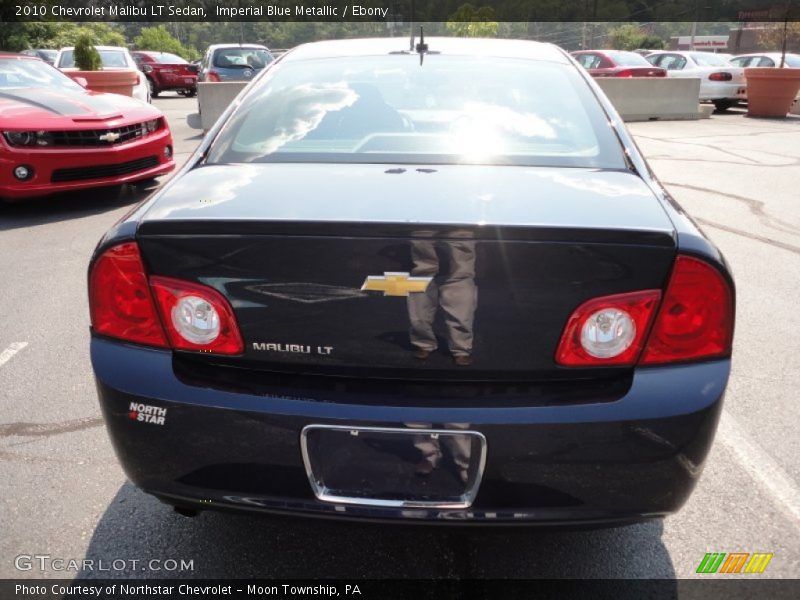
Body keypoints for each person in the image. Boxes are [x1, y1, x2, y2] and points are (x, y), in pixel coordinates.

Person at [407, 232, 478, 366]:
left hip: (461, 220)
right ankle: (423, 341)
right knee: (422, 274)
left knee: (460, 277)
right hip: (423, 220)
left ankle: (461, 348)